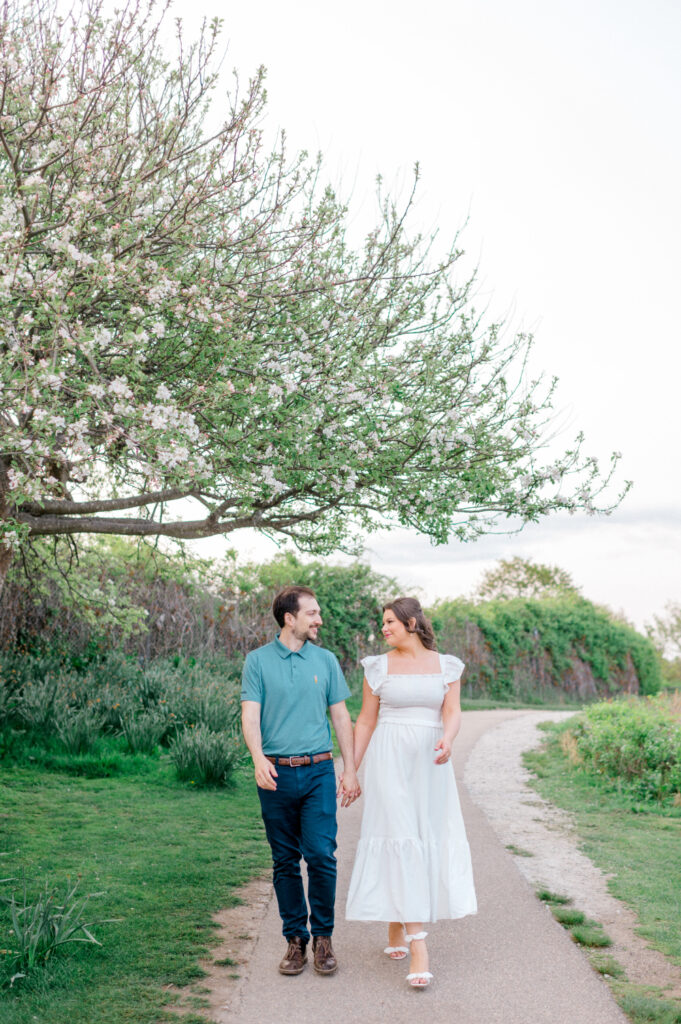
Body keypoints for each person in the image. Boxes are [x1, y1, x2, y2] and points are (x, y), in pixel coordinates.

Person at [345, 596, 477, 988]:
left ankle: (395, 926)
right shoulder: (377, 667)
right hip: (389, 760)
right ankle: (419, 945)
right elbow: (366, 721)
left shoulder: (447, 665)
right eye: (382, 623)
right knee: (398, 835)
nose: (383, 629)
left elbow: (451, 712)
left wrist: (449, 739)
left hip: (430, 762)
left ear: (413, 623)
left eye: (390, 622)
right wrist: (351, 769)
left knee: (419, 838)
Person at [241, 584, 360, 977]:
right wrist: (258, 759)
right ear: (289, 618)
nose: (319, 619)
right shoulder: (257, 662)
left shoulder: (325, 661)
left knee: (322, 855)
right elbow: (250, 715)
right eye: (312, 613)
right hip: (274, 773)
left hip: (318, 771)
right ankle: (296, 940)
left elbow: (341, 717)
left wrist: (351, 769)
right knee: (285, 861)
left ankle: (323, 936)